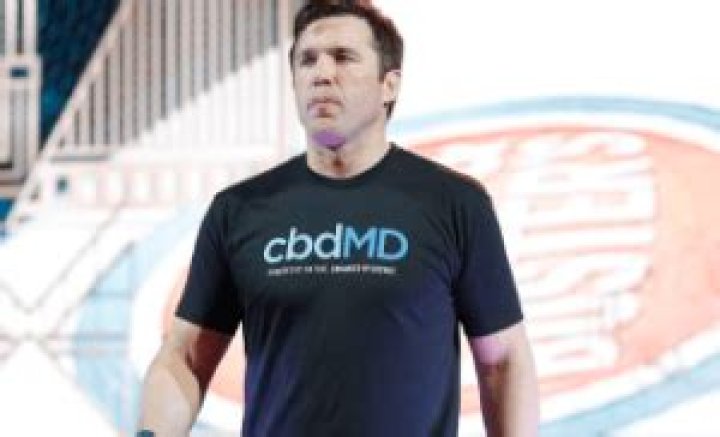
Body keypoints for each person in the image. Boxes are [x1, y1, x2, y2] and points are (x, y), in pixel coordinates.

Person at [138, 1, 539, 436]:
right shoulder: (238, 211)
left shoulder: (454, 204)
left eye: (343, 57)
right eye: (307, 60)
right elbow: (185, 358)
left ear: (389, 85)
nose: (322, 74)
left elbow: (503, 360)